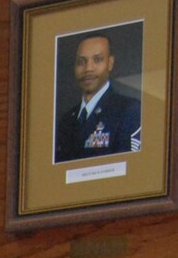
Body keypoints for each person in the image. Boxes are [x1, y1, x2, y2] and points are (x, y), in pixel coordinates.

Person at [53, 32, 141, 163]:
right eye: (81, 62)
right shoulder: (66, 121)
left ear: (110, 63)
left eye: (97, 59)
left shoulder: (129, 110)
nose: (88, 68)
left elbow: (130, 167)